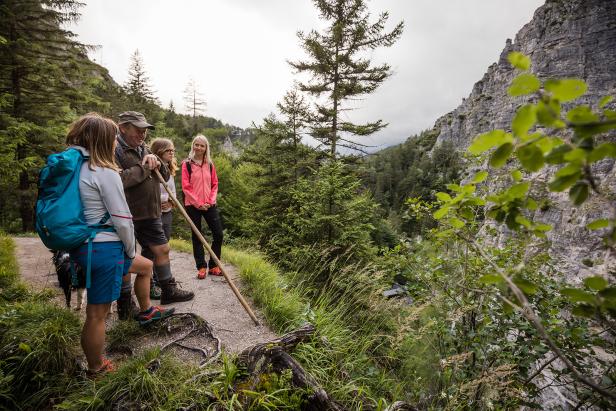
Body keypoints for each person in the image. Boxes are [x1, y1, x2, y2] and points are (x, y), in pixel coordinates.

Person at [65, 113, 174, 375]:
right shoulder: (104, 172)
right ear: (105, 139)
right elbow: (123, 221)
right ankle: (96, 368)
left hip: (86, 242)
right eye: (111, 137)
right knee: (96, 314)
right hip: (104, 246)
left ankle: (146, 310)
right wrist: (127, 249)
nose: (114, 142)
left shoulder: (78, 167)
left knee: (145, 266)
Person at [115, 111, 194, 317]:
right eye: (138, 130)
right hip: (126, 215)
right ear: (123, 127)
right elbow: (118, 181)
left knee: (163, 248)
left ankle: (168, 290)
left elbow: (164, 176)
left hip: (150, 212)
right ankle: (124, 303)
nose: (142, 135)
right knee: (126, 257)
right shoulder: (113, 149)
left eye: (144, 131)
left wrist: (159, 163)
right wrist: (143, 167)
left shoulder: (144, 148)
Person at [181, 134, 224, 279]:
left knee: (218, 234)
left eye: (202, 145)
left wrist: (211, 201)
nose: (198, 147)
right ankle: (201, 267)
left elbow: (215, 184)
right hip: (192, 205)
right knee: (197, 235)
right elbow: (186, 187)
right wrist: (198, 204)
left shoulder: (210, 165)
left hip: (209, 204)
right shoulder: (186, 164)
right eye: (196, 144)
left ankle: (213, 265)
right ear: (193, 145)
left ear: (206, 148)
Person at [145, 138, 178, 298]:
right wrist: (163, 201)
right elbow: (152, 192)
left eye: (172, 150)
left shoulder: (170, 170)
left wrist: (172, 202)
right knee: (152, 249)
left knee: (164, 248)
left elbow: (173, 191)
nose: (172, 153)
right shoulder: (151, 169)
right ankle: (150, 283)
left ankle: (160, 281)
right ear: (158, 152)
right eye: (168, 150)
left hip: (167, 213)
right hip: (154, 213)